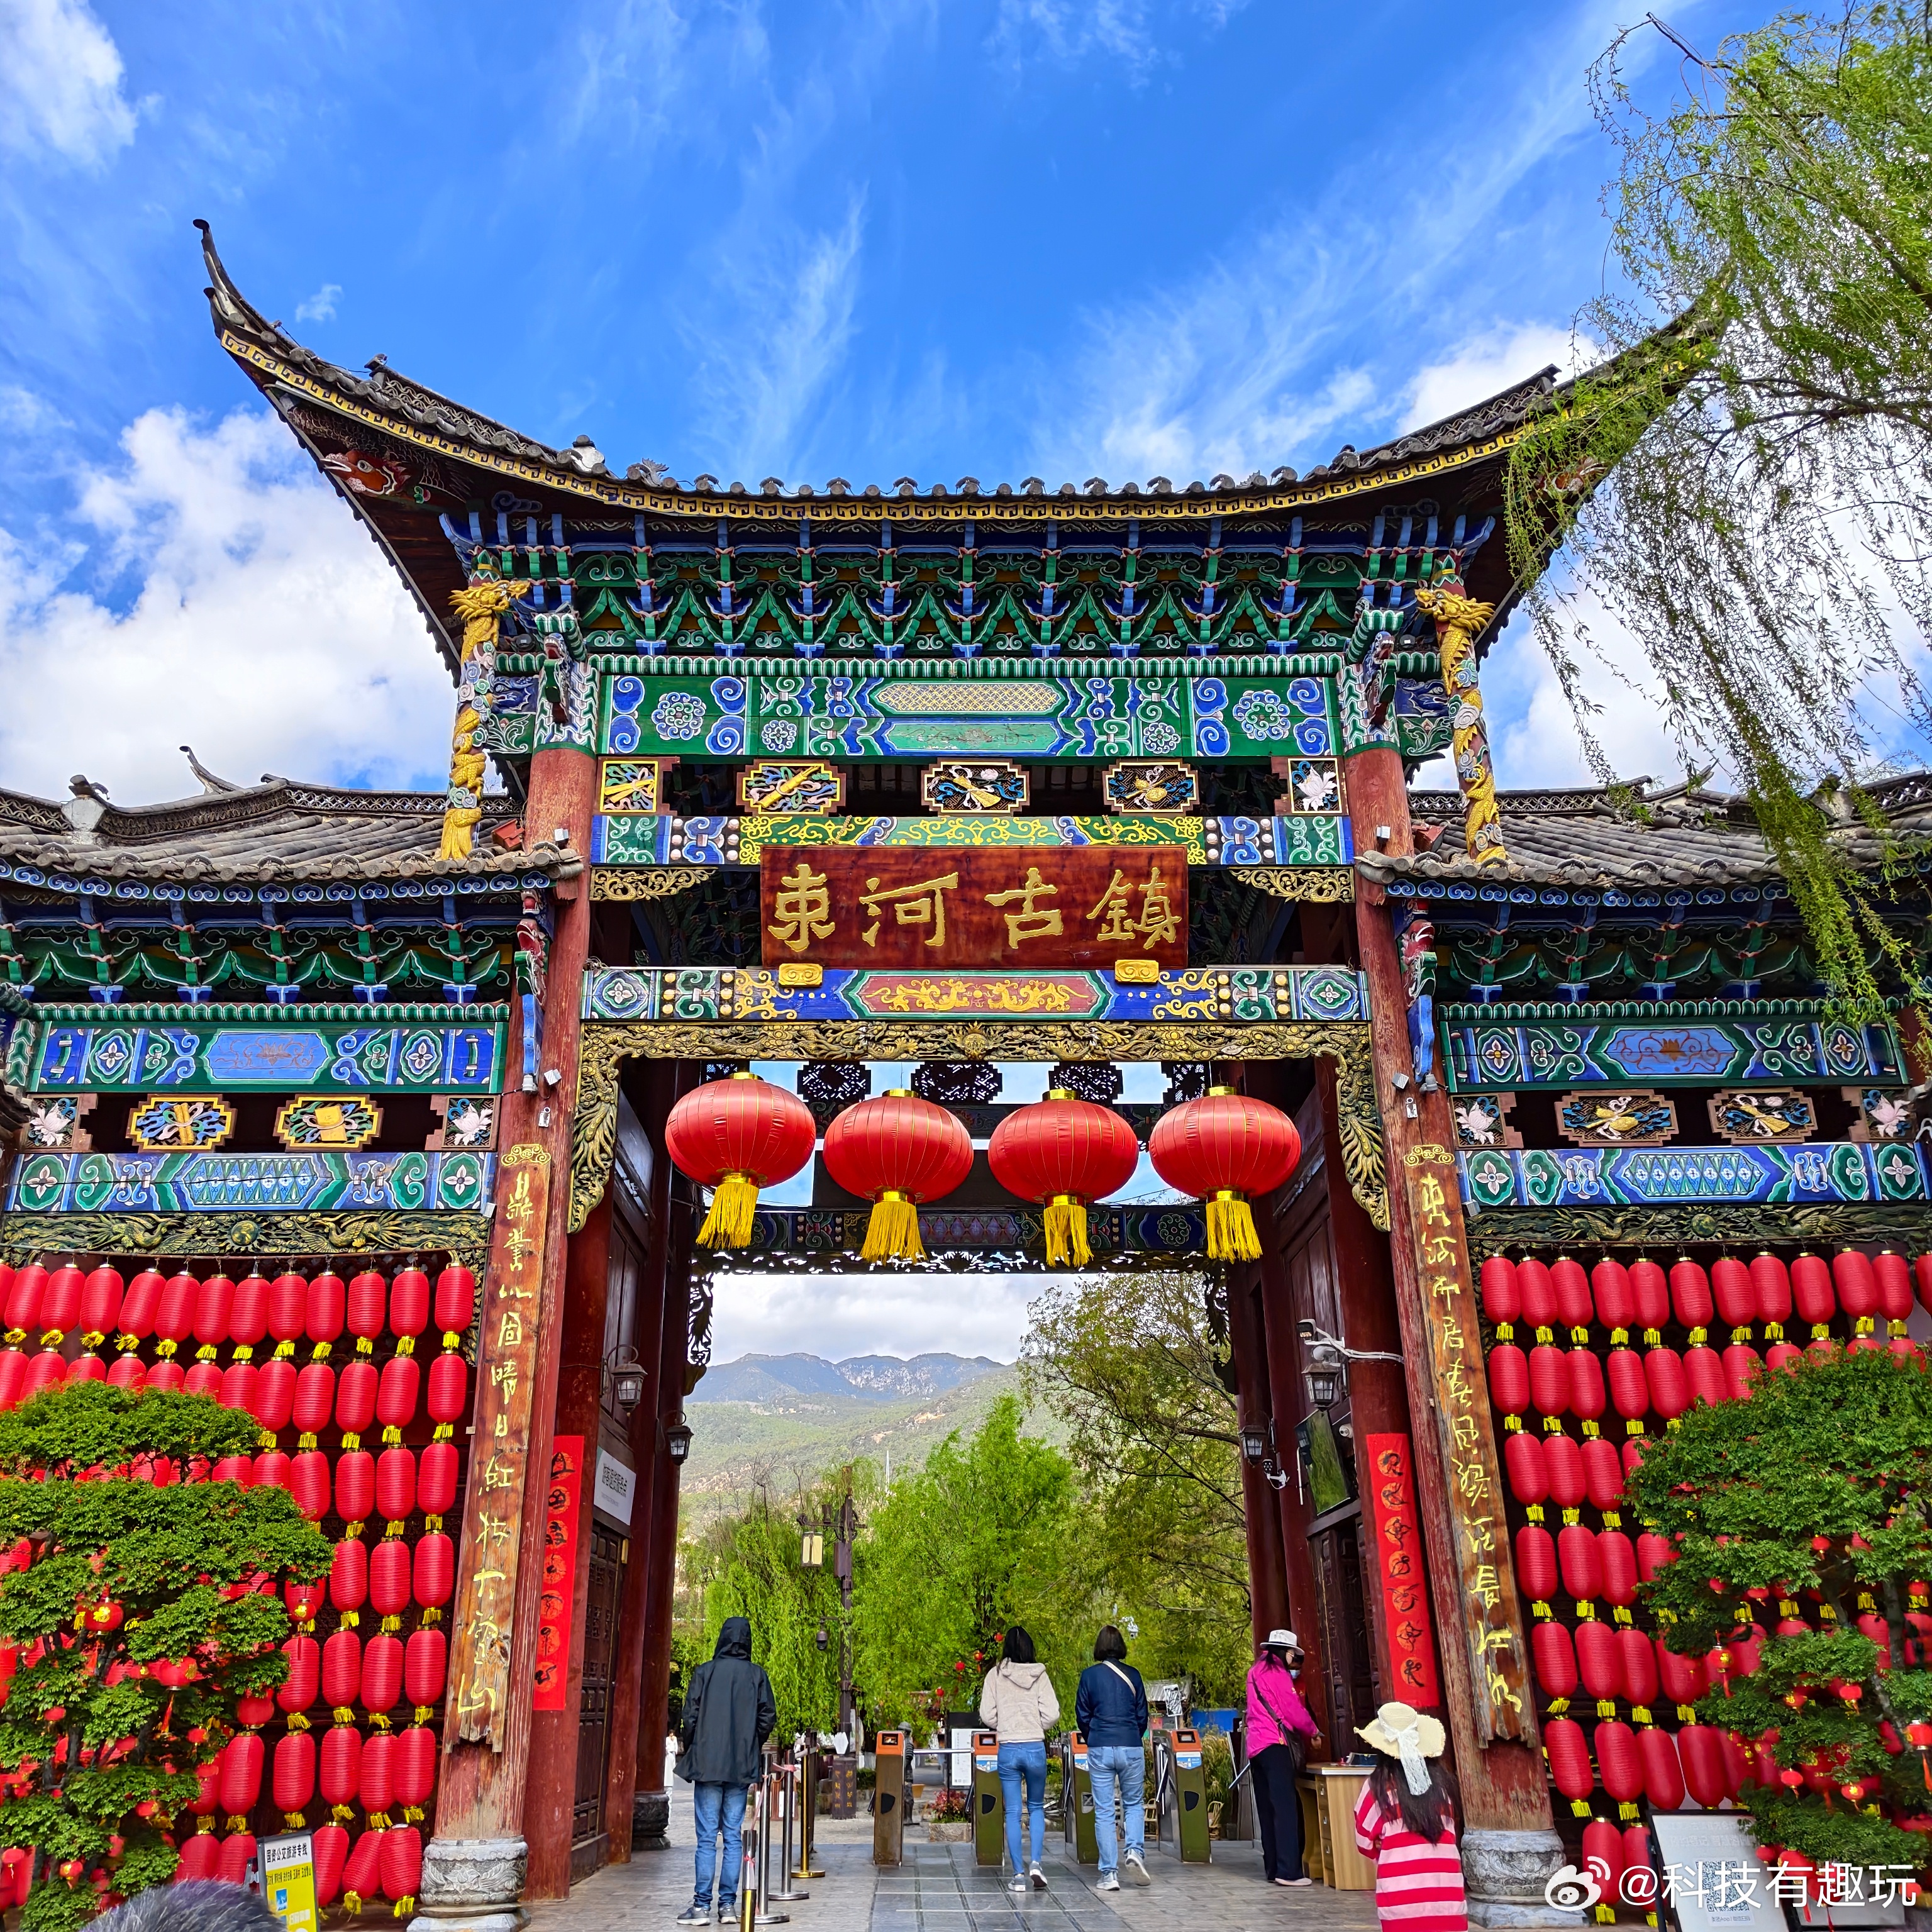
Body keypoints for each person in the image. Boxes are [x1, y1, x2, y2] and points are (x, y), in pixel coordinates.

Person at [675, 1614, 777, 1925]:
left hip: (707, 1765)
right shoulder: (757, 1676)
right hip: (739, 1766)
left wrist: (696, 1745)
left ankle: (701, 1907)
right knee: (733, 1836)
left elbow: (689, 1716)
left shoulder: (704, 1672)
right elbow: (767, 1717)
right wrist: (750, 1744)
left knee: (707, 1838)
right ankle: (728, 1907)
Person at [1352, 1702, 1467, 1932]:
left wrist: (1386, 1849)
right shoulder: (1443, 1788)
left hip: (1400, 1904)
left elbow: (1364, 1841)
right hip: (1449, 1903)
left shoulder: (1377, 1788)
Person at [978, 1624, 1060, 1892]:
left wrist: (1007, 1725)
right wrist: (1034, 1726)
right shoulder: (1040, 1675)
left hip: (1009, 1749)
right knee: (1036, 1807)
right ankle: (1036, 1863)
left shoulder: (995, 1675)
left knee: (1013, 1812)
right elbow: (1053, 1714)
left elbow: (987, 1715)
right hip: (1035, 1747)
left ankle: (1018, 1876)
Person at [1074, 1624, 1151, 1892]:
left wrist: (1095, 1736)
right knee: (1134, 1804)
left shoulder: (1089, 1676)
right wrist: (1130, 1736)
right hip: (1130, 1745)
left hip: (1100, 1747)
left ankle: (1109, 1875)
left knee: (1105, 1811)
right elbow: (1142, 1715)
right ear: (1121, 1647)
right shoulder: (1134, 1675)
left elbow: (1082, 1714)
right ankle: (1135, 1851)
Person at [1244, 1628, 1321, 1887]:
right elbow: (1293, 1711)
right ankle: (1289, 1871)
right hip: (1275, 1745)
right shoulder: (1278, 1674)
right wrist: (1313, 1730)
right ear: (1286, 1652)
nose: (1294, 1661)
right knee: (1286, 1808)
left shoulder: (1255, 1672)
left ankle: (1272, 1868)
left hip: (1256, 1747)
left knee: (1267, 1809)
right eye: (1293, 1655)